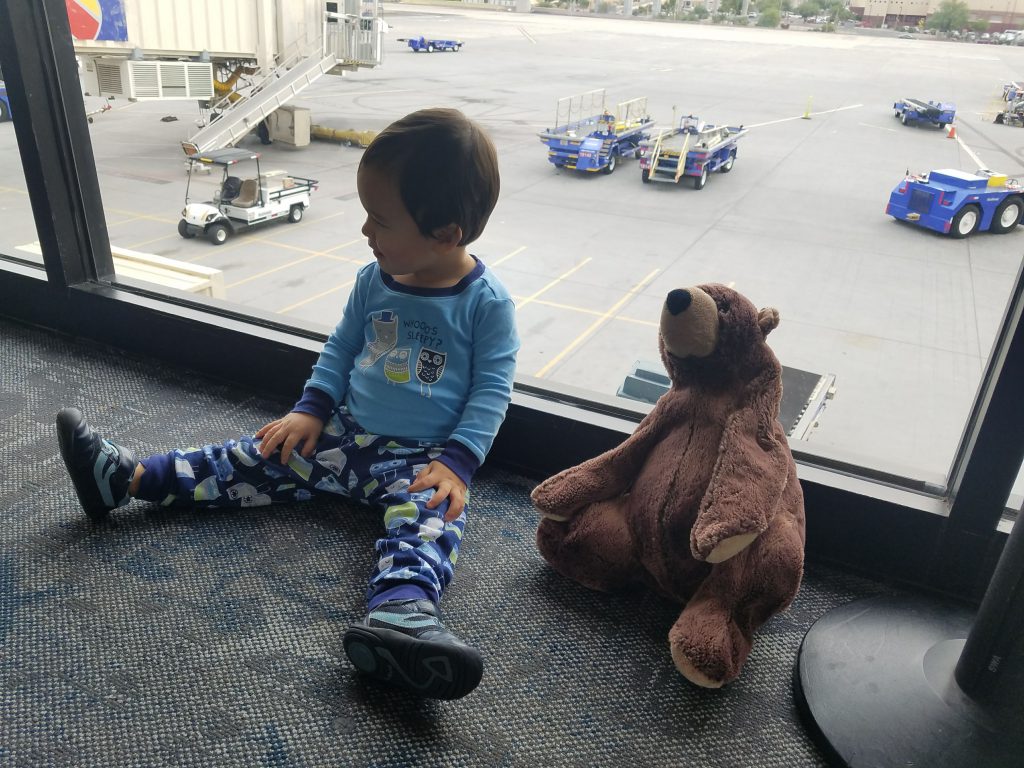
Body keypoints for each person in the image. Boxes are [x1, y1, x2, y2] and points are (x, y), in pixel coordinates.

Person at [55, 107, 519, 701]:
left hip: (421, 459)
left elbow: (491, 391)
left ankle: (402, 616)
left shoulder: (485, 304)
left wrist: (457, 462)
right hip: (342, 434)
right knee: (252, 455)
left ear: (446, 234)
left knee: (430, 523)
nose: (365, 232)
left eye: (379, 220)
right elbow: (344, 347)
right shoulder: (373, 279)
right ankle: (128, 479)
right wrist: (312, 408)